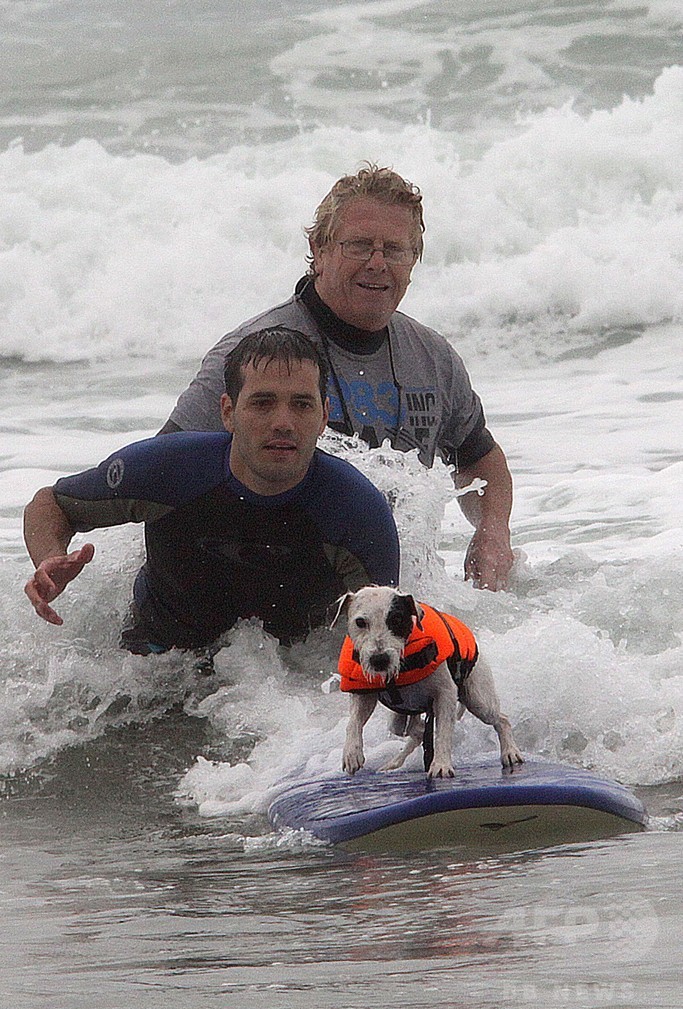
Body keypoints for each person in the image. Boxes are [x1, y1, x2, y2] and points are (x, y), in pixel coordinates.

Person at [160, 164, 514, 591]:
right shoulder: (253, 355)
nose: (378, 263)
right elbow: (164, 469)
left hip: (389, 605)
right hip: (273, 610)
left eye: (395, 250)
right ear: (319, 247)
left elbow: (479, 458)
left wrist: (492, 532)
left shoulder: (433, 358)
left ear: (413, 260)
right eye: (360, 246)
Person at [23, 328, 400, 654]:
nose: (283, 423)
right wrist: (51, 557)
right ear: (227, 412)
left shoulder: (356, 512)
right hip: (151, 660)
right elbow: (51, 504)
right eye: (263, 403)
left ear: (322, 417)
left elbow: (390, 641)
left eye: (301, 405)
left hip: (289, 691)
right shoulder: (168, 470)